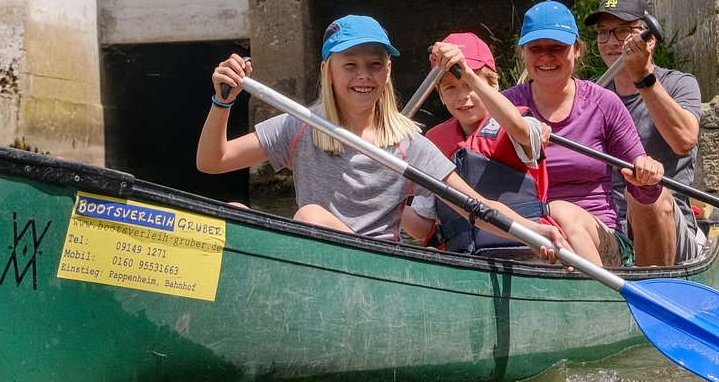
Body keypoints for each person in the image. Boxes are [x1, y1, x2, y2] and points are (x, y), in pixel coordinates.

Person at [196, 14, 568, 261]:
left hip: (378, 269)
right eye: (351, 65)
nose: (364, 76)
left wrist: (536, 232)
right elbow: (212, 162)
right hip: (314, 255)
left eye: (375, 64)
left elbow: (475, 206)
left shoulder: (409, 144)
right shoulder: (300, 125)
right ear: (327, 69)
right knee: (231, 214)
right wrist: (222, 102)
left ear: (388, 71)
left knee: (310, 214)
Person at [500, 0, 664, 267]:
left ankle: (601, 296)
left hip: (600, 237)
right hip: (531, 236)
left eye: (557, 48)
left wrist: (647, 175)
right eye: (536, 49)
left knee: (562, 211)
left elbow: (645, 195)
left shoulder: (605, 104)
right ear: (523, 53)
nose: (546, 57)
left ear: (576, 50)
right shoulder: (505, 107)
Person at [403, 32, 557, 258]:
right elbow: (421, 226)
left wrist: (467, 72)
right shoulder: (433, 143)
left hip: (524, 251)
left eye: (469, 84)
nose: (462, 96)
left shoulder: (521, 124)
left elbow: (519, 128)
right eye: (450, 88)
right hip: (463, 260)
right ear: (441, 96)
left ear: (493, 84)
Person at [586, 0, 704, 266]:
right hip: (609, 228)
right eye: (603, 33)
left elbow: (684, 140)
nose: (611, 42)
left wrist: (643, 78)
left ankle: (655, 289)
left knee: (646, 195)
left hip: (668, 227)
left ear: (648, 38)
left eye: (623, 31)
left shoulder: (680, 85)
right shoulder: (590, 94)